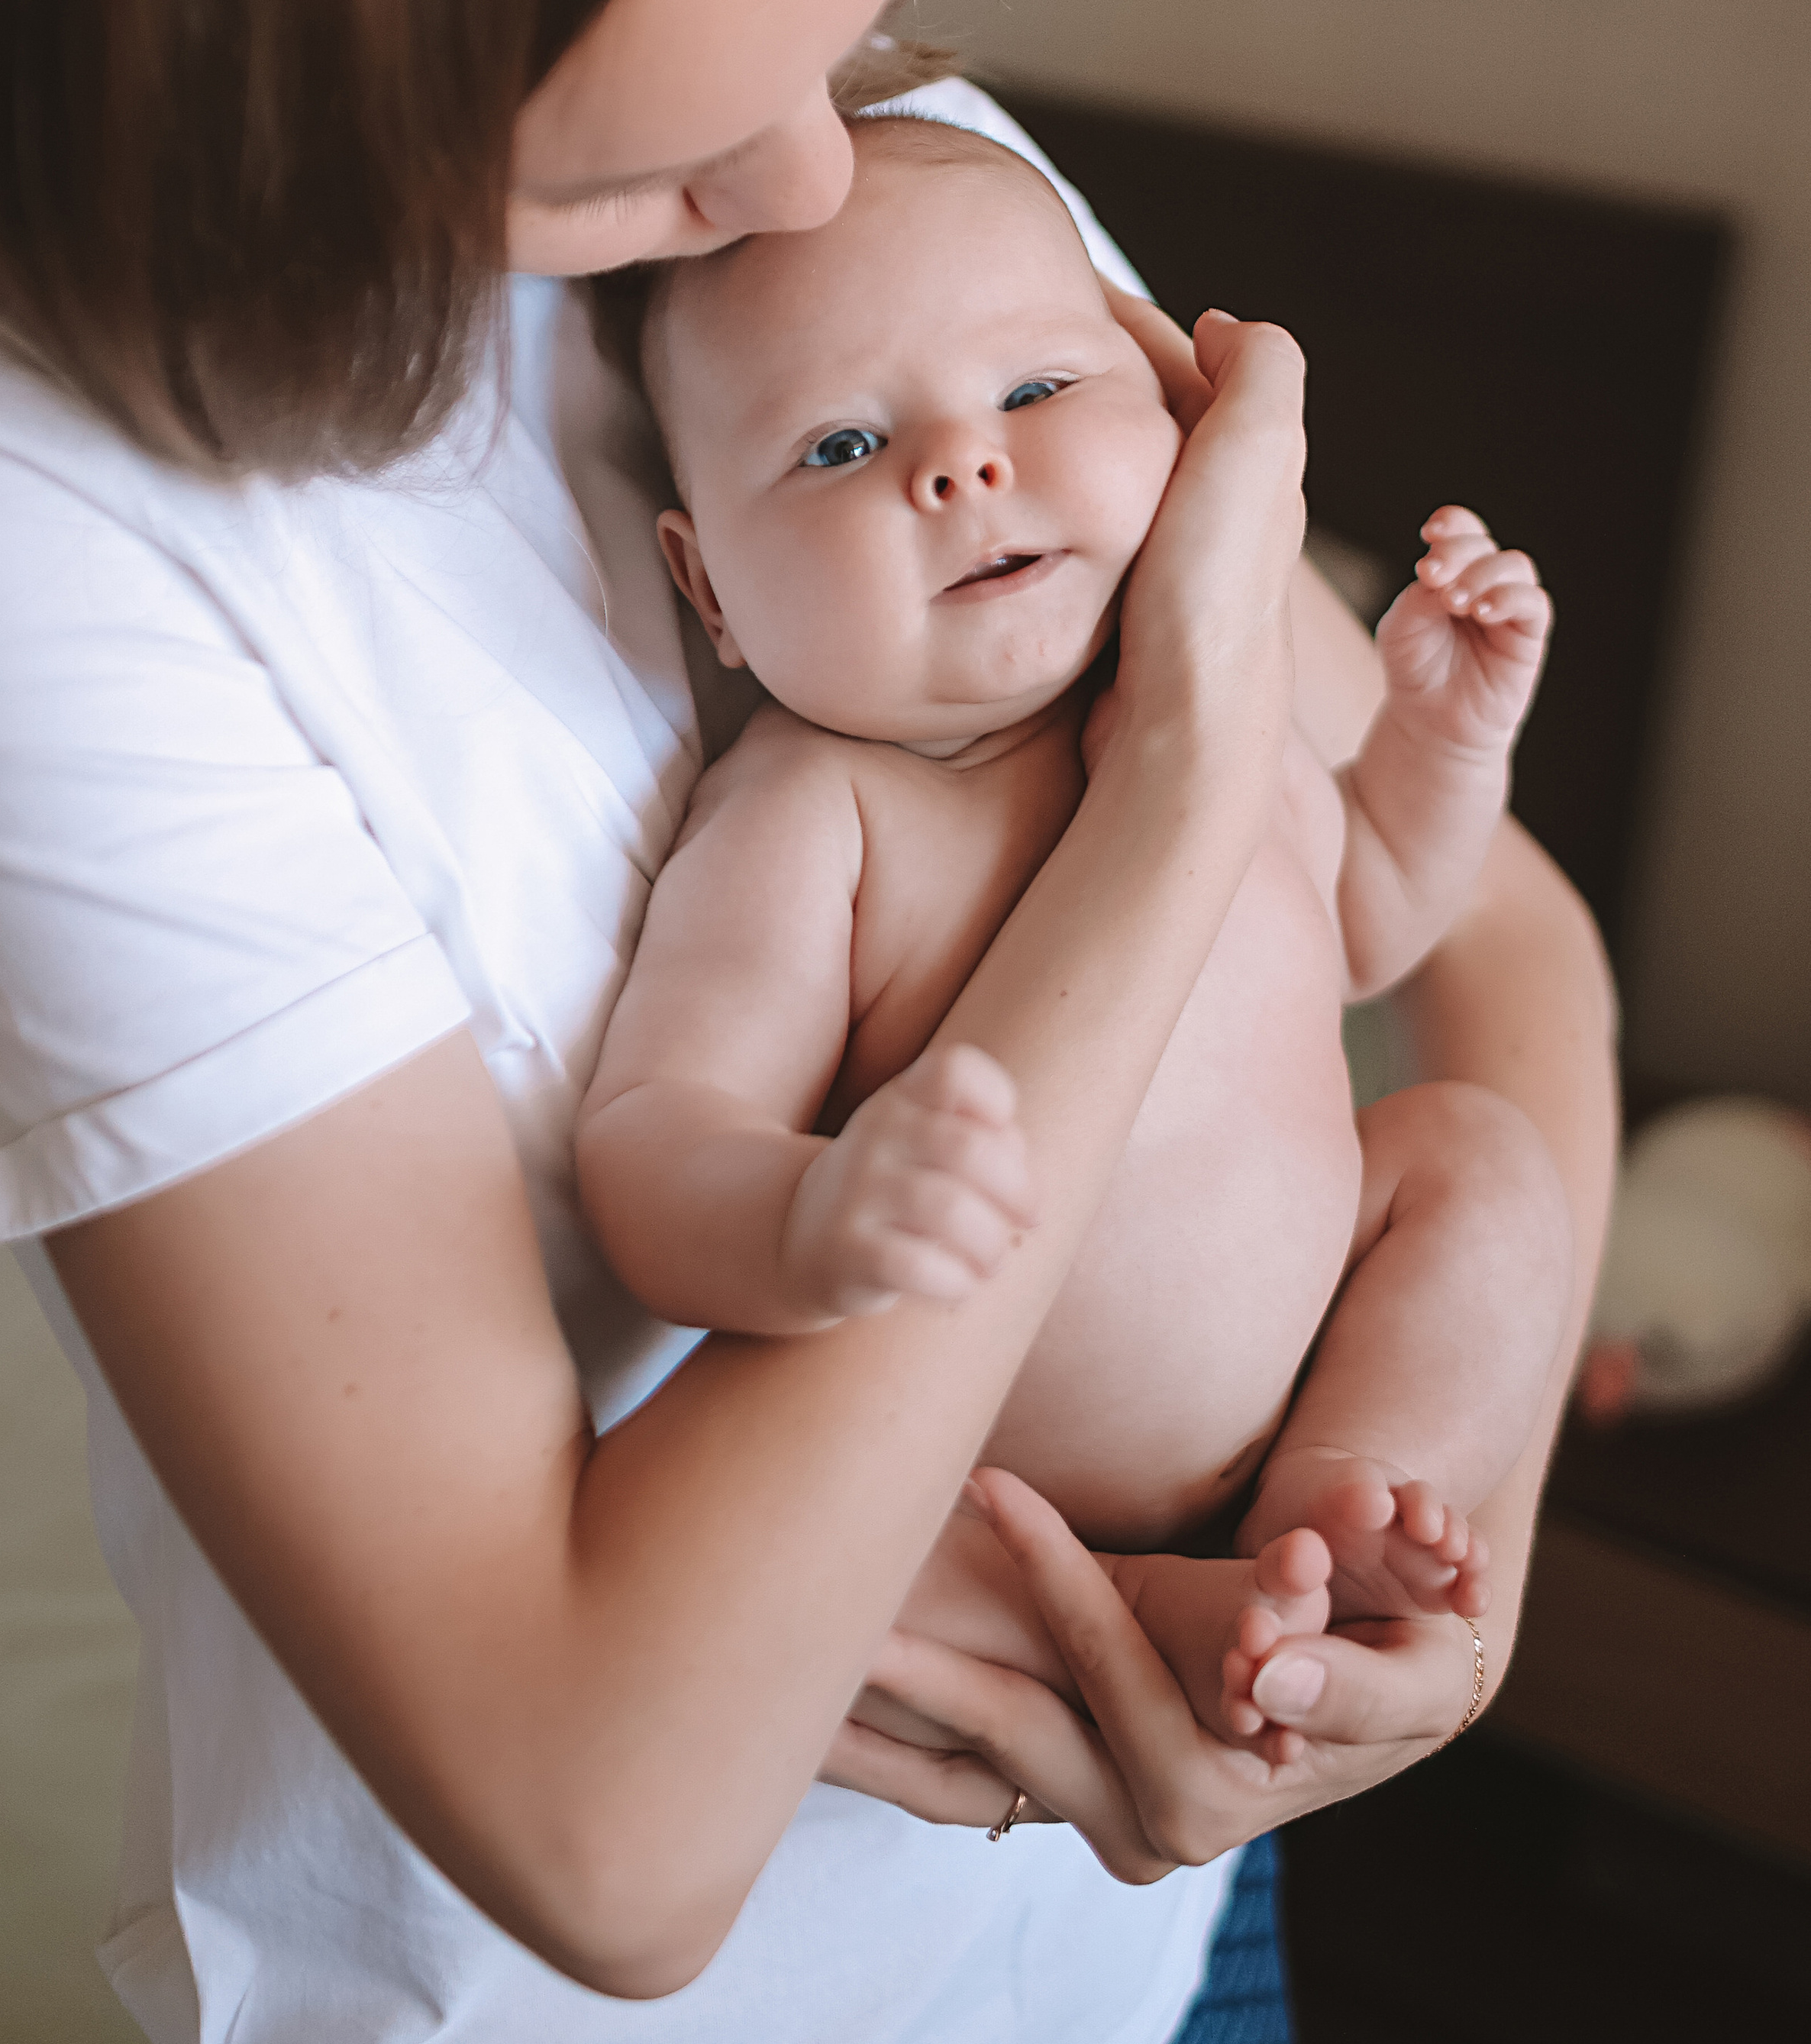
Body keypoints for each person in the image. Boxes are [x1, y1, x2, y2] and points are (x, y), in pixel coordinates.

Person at [0, 0, 1616, 2044]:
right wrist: (1170, 795)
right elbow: (614, 1825)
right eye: (649, 166)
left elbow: (1495, 939)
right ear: (238, 75)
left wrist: (1466, 1495)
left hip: (1146, 1940)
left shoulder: (903, 194)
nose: (818, 182)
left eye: (858, 23)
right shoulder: (4, 527)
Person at [575, 115, 1574, 1745]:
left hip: (1315, 1341)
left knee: (1475, 1159)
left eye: (1035, 392)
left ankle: (1345, 1487)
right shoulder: (820, 813)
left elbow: (1373, 923)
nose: (962, 467)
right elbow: (650, 1139)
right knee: (837, 1536)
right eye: (835, 447)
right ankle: (1168, 1615)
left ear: (1180, 415)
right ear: (710, 597)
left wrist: (1443, 747)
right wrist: (812, 1211)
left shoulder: (1220, 695)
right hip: (990, 1477)